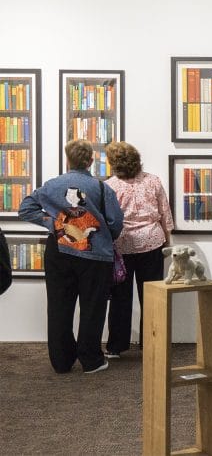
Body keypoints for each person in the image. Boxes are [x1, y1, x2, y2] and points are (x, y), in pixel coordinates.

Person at [18, 139, 123, 374]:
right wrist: (105, 236)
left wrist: (53, 224)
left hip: (60, 252)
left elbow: (25, 208)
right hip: (94, 254)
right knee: (92, 307)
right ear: (90, 161)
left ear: (68, 160)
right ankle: (91, 360)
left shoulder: (52, 185)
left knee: (58, 306)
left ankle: (61, 361)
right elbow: (116, 222)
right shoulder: (103, 188)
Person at [104, 141, 173, 358]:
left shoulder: (110, 186)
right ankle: (153, 344)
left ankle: (116, 346)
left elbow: (108, 219)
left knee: (120, 297)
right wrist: (167, 241)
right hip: (152, 242)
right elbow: (165, 213)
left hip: (122, 245)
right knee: (153, 295)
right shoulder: (153, 181)